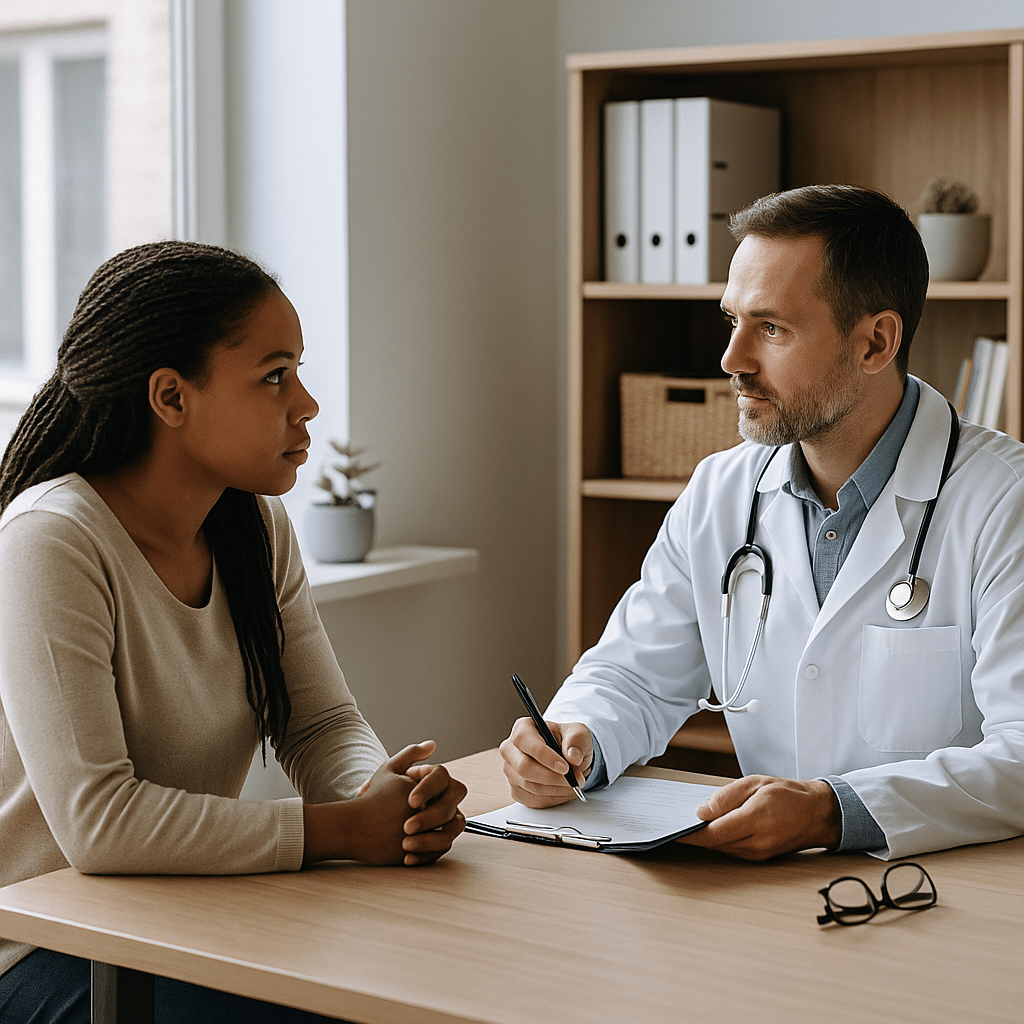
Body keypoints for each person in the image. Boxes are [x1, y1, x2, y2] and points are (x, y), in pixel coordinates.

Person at [0, 240, 467, 1023]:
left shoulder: (252, 523)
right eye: (274, 375)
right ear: (171, 397)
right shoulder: (52, 540)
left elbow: (317, 721)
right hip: (42, 948)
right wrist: (343, 828)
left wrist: (387, 801)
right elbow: (99, 824)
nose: (307, 403)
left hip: (185, 917)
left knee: (425, 978)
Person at [502, 184, 1024, 862]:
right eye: (733, 321)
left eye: (771, 327)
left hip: (943, 898)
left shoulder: (1003, 500)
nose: (732, 360)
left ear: (875, 342)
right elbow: (635, 676)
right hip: (769, 896)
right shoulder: (723, 489)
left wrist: (833, 812)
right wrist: (575, 740)